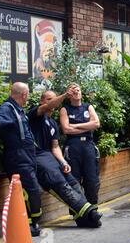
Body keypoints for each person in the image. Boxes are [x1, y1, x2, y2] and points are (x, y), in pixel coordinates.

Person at [28, 89, 102, 228]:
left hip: (52, 157)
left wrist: (63, 162)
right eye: (48, 99)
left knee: (72, 181)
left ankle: (85, 219)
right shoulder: (35, 114)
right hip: (38, 157)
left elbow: (55, 147)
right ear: (42, 102)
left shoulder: (53, 123)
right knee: (59, 182)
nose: (52, 102)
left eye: (53, 99)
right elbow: (65, 126)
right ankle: (90, 211)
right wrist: (64, 95)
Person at [0, 83, 42, 236]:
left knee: (31, 190)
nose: (28, 96)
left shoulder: (18, 110)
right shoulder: (7, 108)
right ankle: (29, 224)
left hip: (27, 156)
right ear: (24, 94)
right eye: (28, 93)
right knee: (29, 191)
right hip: (18, 158)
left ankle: (33, 224)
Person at [60, 84, 101, 207]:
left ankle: (93, 208)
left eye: (78, 90)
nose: (77, 91)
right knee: (74, 179)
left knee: (92, 179)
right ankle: (77, 209)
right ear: (69, 94)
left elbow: (96, 123)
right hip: (73, 147)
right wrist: (86, 126)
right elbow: (66, 130)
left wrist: (75, 126)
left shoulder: (88, 107)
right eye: (73, 90)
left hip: (88, 146)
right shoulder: (65, 109)